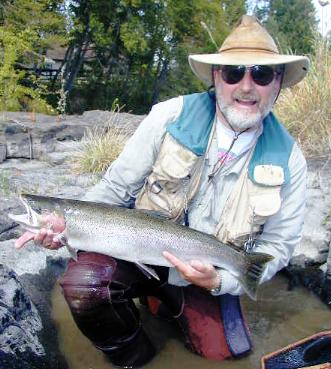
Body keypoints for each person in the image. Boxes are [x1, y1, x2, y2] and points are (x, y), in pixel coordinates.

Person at [16, 15, 309, 368]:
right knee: (85, 286)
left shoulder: (290, 159)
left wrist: (221, 280)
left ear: (277, 83)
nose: (246, 86)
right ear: (217, 78)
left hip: (208, 274)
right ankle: (137, 358)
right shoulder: (168, 116)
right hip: (137, 254)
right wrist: (61, 233)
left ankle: (166, 303)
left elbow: (277, 247)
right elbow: (113, 189)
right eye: (233, 73)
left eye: (261, 74)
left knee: (229, 355)